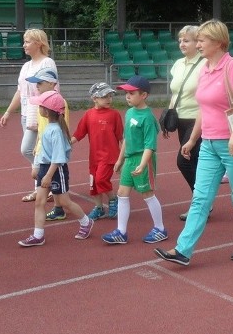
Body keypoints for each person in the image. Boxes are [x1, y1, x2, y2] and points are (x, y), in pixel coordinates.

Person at [154, 20, 233, 266]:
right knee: (200, 198)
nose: (199, 44)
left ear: (218, 42)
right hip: (209, 144)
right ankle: (183, 250)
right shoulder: (205, 68)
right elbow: (204, 107)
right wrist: (193, 138)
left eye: (202, 40)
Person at [17, 90, 95, 246]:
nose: (38, 108)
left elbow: (58, 158)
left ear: (46, 110)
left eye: (40, 106)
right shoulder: (48, 128)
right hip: (46, 168)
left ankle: (86, 222)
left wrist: (48, 175)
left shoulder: (56, 131)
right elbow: (43, 151)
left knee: (64, 202)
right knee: (39, 202)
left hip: (56, 170)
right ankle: (38, 235)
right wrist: (38, 167)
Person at [101, 76, 168, 245]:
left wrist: (143, 164)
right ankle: (121, 232)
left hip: (142, 159)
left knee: (147, 194)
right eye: (126, 93)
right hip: (130, 159)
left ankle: (160, 228)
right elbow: (126, 139)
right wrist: (120, 159)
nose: (127, 96)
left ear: (144, 95)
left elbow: (149, 146)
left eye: (131, 93)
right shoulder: (130, 112)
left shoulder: (148, 118)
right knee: (122, 194)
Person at [0, 29, 58, 201]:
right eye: (24, 41)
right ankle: (41, 187)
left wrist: (49, 116)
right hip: (26, 113)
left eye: (27, 41)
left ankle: (45, 183)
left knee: (28, 149)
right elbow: (20, 91)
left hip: (41, 114)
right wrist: (9, 111)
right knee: (35, 151)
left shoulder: (47, 63)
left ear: (39, 43)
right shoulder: (26, 66)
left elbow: (52, 89)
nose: (24, 45)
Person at [164, 25, 204, 221]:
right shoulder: (178, 64)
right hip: (180, 118)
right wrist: (168, 117)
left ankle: (201, 203)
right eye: (180, 40)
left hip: (199, 119)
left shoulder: (205, 64)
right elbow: (175, 92)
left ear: (198, 43)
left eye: (186, 40)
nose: (182, 44)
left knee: (184, 161)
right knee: (193, 162)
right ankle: (202, 202)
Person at [71, 82, 123, 220]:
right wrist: (68, 143)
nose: (108, 99)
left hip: (109, 156)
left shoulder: (114, 115)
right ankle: (99, 208)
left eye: (110, 96)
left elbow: (121, 137)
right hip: (94, 157)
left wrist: (123, 157)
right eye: (104, 96)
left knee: (101, 180)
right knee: (93, 184)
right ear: (95, 98)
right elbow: (79, 133)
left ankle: (113, 200)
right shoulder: (88, 115)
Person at [24, 69, 69, 220]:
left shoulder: (58, 104)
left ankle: (61, 208)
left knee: (60, 193)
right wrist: (37, 150)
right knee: (42, 192)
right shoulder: (41, 104)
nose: (36, 86)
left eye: (40, 83)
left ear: (51, 83)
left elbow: (62, 129)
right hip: (43, 152)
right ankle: (40, 230)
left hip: (52, 155)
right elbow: (41, 131)